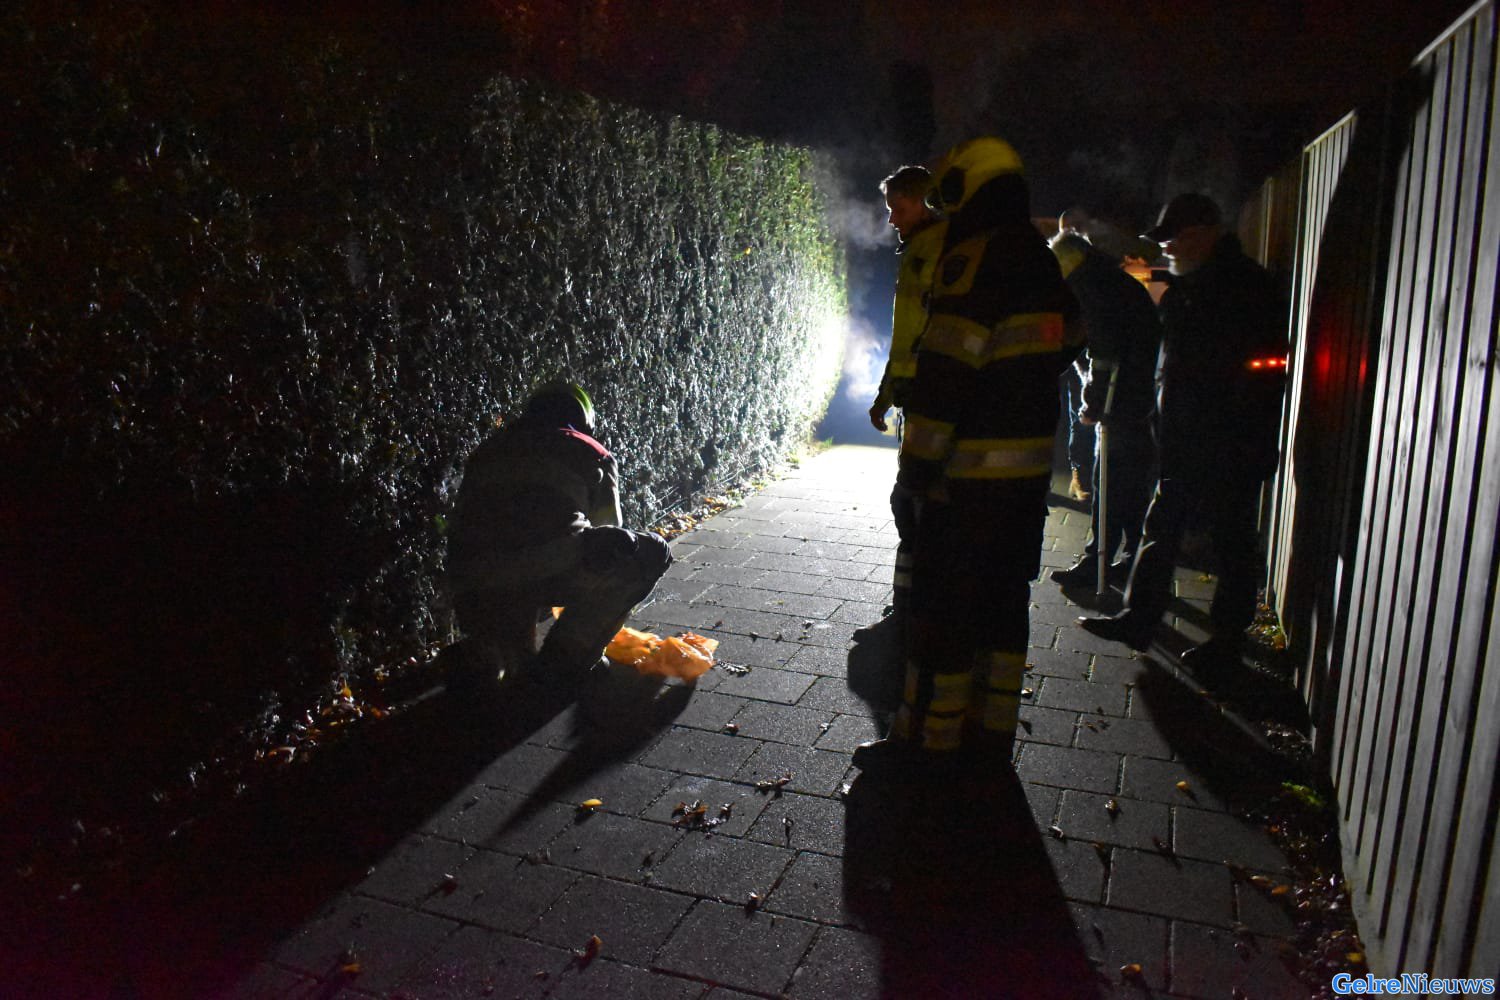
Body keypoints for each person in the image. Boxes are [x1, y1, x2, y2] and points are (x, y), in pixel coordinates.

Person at [853, 137, 1078, 775]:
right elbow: (1073, 334)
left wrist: (917, 470)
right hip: (1028, 477)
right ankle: (989, 735)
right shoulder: (1039, 256)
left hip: (965, 481)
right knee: (1004, 609)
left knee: (941, 612)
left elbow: (946, 372)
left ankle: (926, 741)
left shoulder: (971, 259)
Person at [1077, 193, 1287, 673]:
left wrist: (1240, 438)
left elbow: (1264, 370)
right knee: (1162, 528)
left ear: (1203, 232)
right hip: (1182, 440)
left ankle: (1227, 647)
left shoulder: (1246, 288)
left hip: (1228, 444)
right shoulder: (1190, 289)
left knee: (1231, 542)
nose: (1166, 249)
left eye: (1172, 238)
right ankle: (1139, 618)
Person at [446, 382, 672, 687]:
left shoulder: (488, 451)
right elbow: (611, 531)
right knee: (645, 549)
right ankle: (566, 657)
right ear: (584, 421)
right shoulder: (592, 453)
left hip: (472, 584)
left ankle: (497, 648)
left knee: (523, 551)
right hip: (545, 573)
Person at [1047, 231, 1162, 588]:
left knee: (1109, 481)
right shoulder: (1111, 281)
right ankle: (1129, 562)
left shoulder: (1094, 287)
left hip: (1123, 402)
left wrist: (1093, 404)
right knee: (1127, 484)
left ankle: (1098, 561)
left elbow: (1104, 353)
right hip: (1139, 399)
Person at [869, 165, 947, 628]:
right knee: (911, 500)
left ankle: (917, 604)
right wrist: (886, 395)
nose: (892, 219)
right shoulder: (920, 248)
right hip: (917, 394)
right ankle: (910, 602)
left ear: (923, 201)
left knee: (914, 500)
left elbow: (924, 334)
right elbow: (905, 336)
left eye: (898, 208)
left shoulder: (938, 249)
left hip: (931, 396)